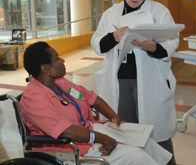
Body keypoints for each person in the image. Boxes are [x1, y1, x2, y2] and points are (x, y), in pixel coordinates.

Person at [20, 41, 172, 165]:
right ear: (45, 68)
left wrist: (112, 115)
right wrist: (104, 139)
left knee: (144, 141)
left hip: (89, 131)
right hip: (69, 149)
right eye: (57, 58)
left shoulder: (60, 83)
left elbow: (91, 97)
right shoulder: (33, 98)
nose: (62, 60)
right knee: (136, 155)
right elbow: (66, 131)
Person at [91, 0, 179, 165]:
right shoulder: (110, 14)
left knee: (158, 134)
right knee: (126, 132)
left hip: (151, 82)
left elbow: (172, 42)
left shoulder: (159, 11)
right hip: (120, 83)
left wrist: (152, 47)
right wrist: (113, 37)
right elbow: (97, 44)